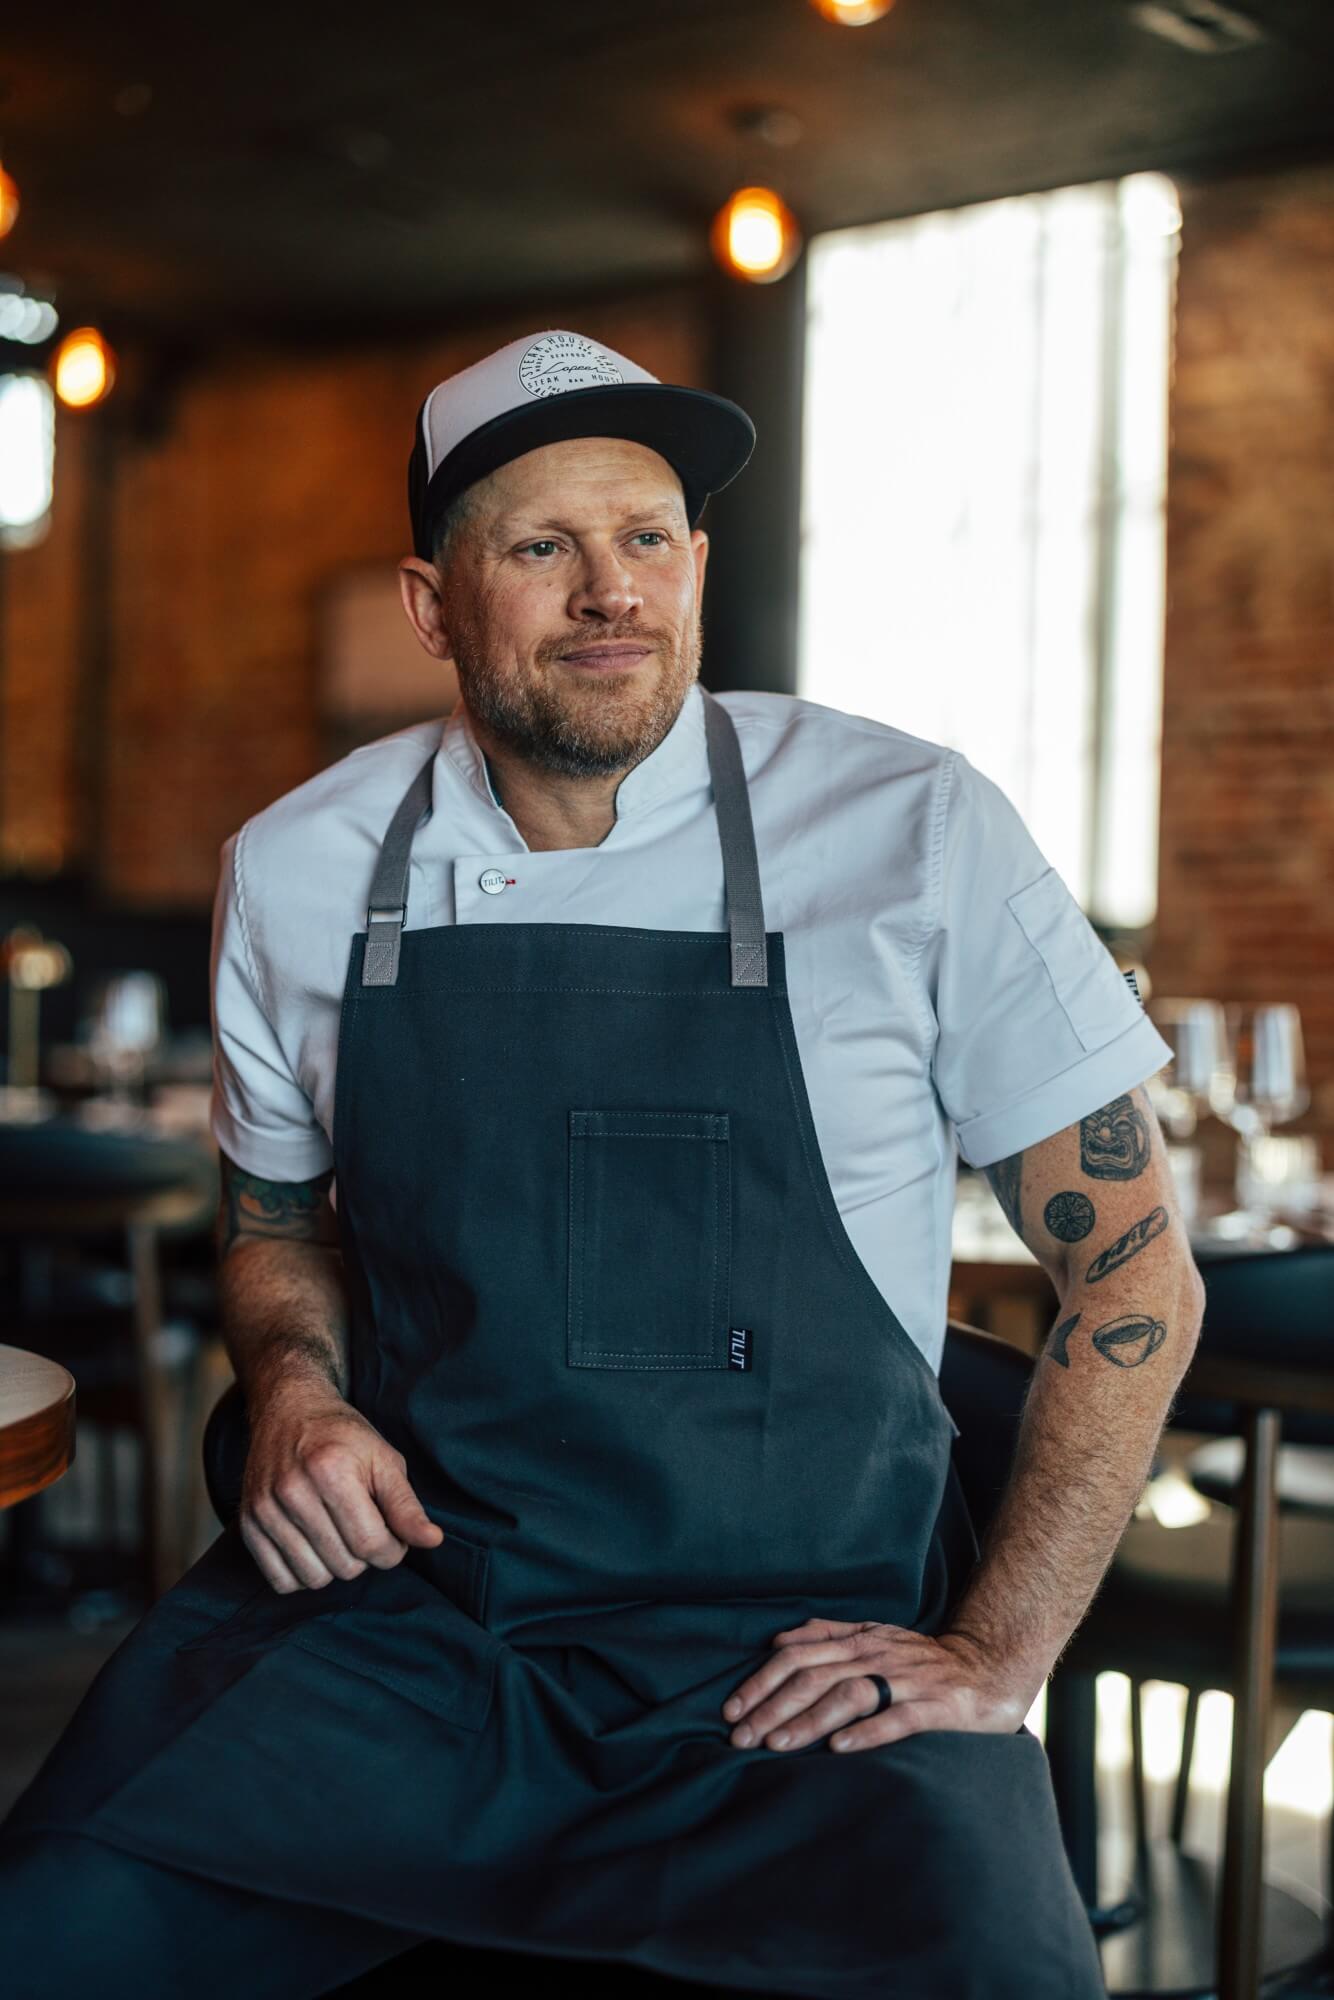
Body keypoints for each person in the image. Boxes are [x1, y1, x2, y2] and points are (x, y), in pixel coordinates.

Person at [0, 327, 1202, 1999]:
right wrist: (290, 1392)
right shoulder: (297, 868)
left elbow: (1133, 1274)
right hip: (412, 1623)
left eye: (645, 536)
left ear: (696, 563)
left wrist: (996, 1652)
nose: (608, 590)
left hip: (801, 1652)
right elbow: (274, 1226)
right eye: (540, 547)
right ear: (432, 604)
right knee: (49, 1927)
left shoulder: (912, 828)